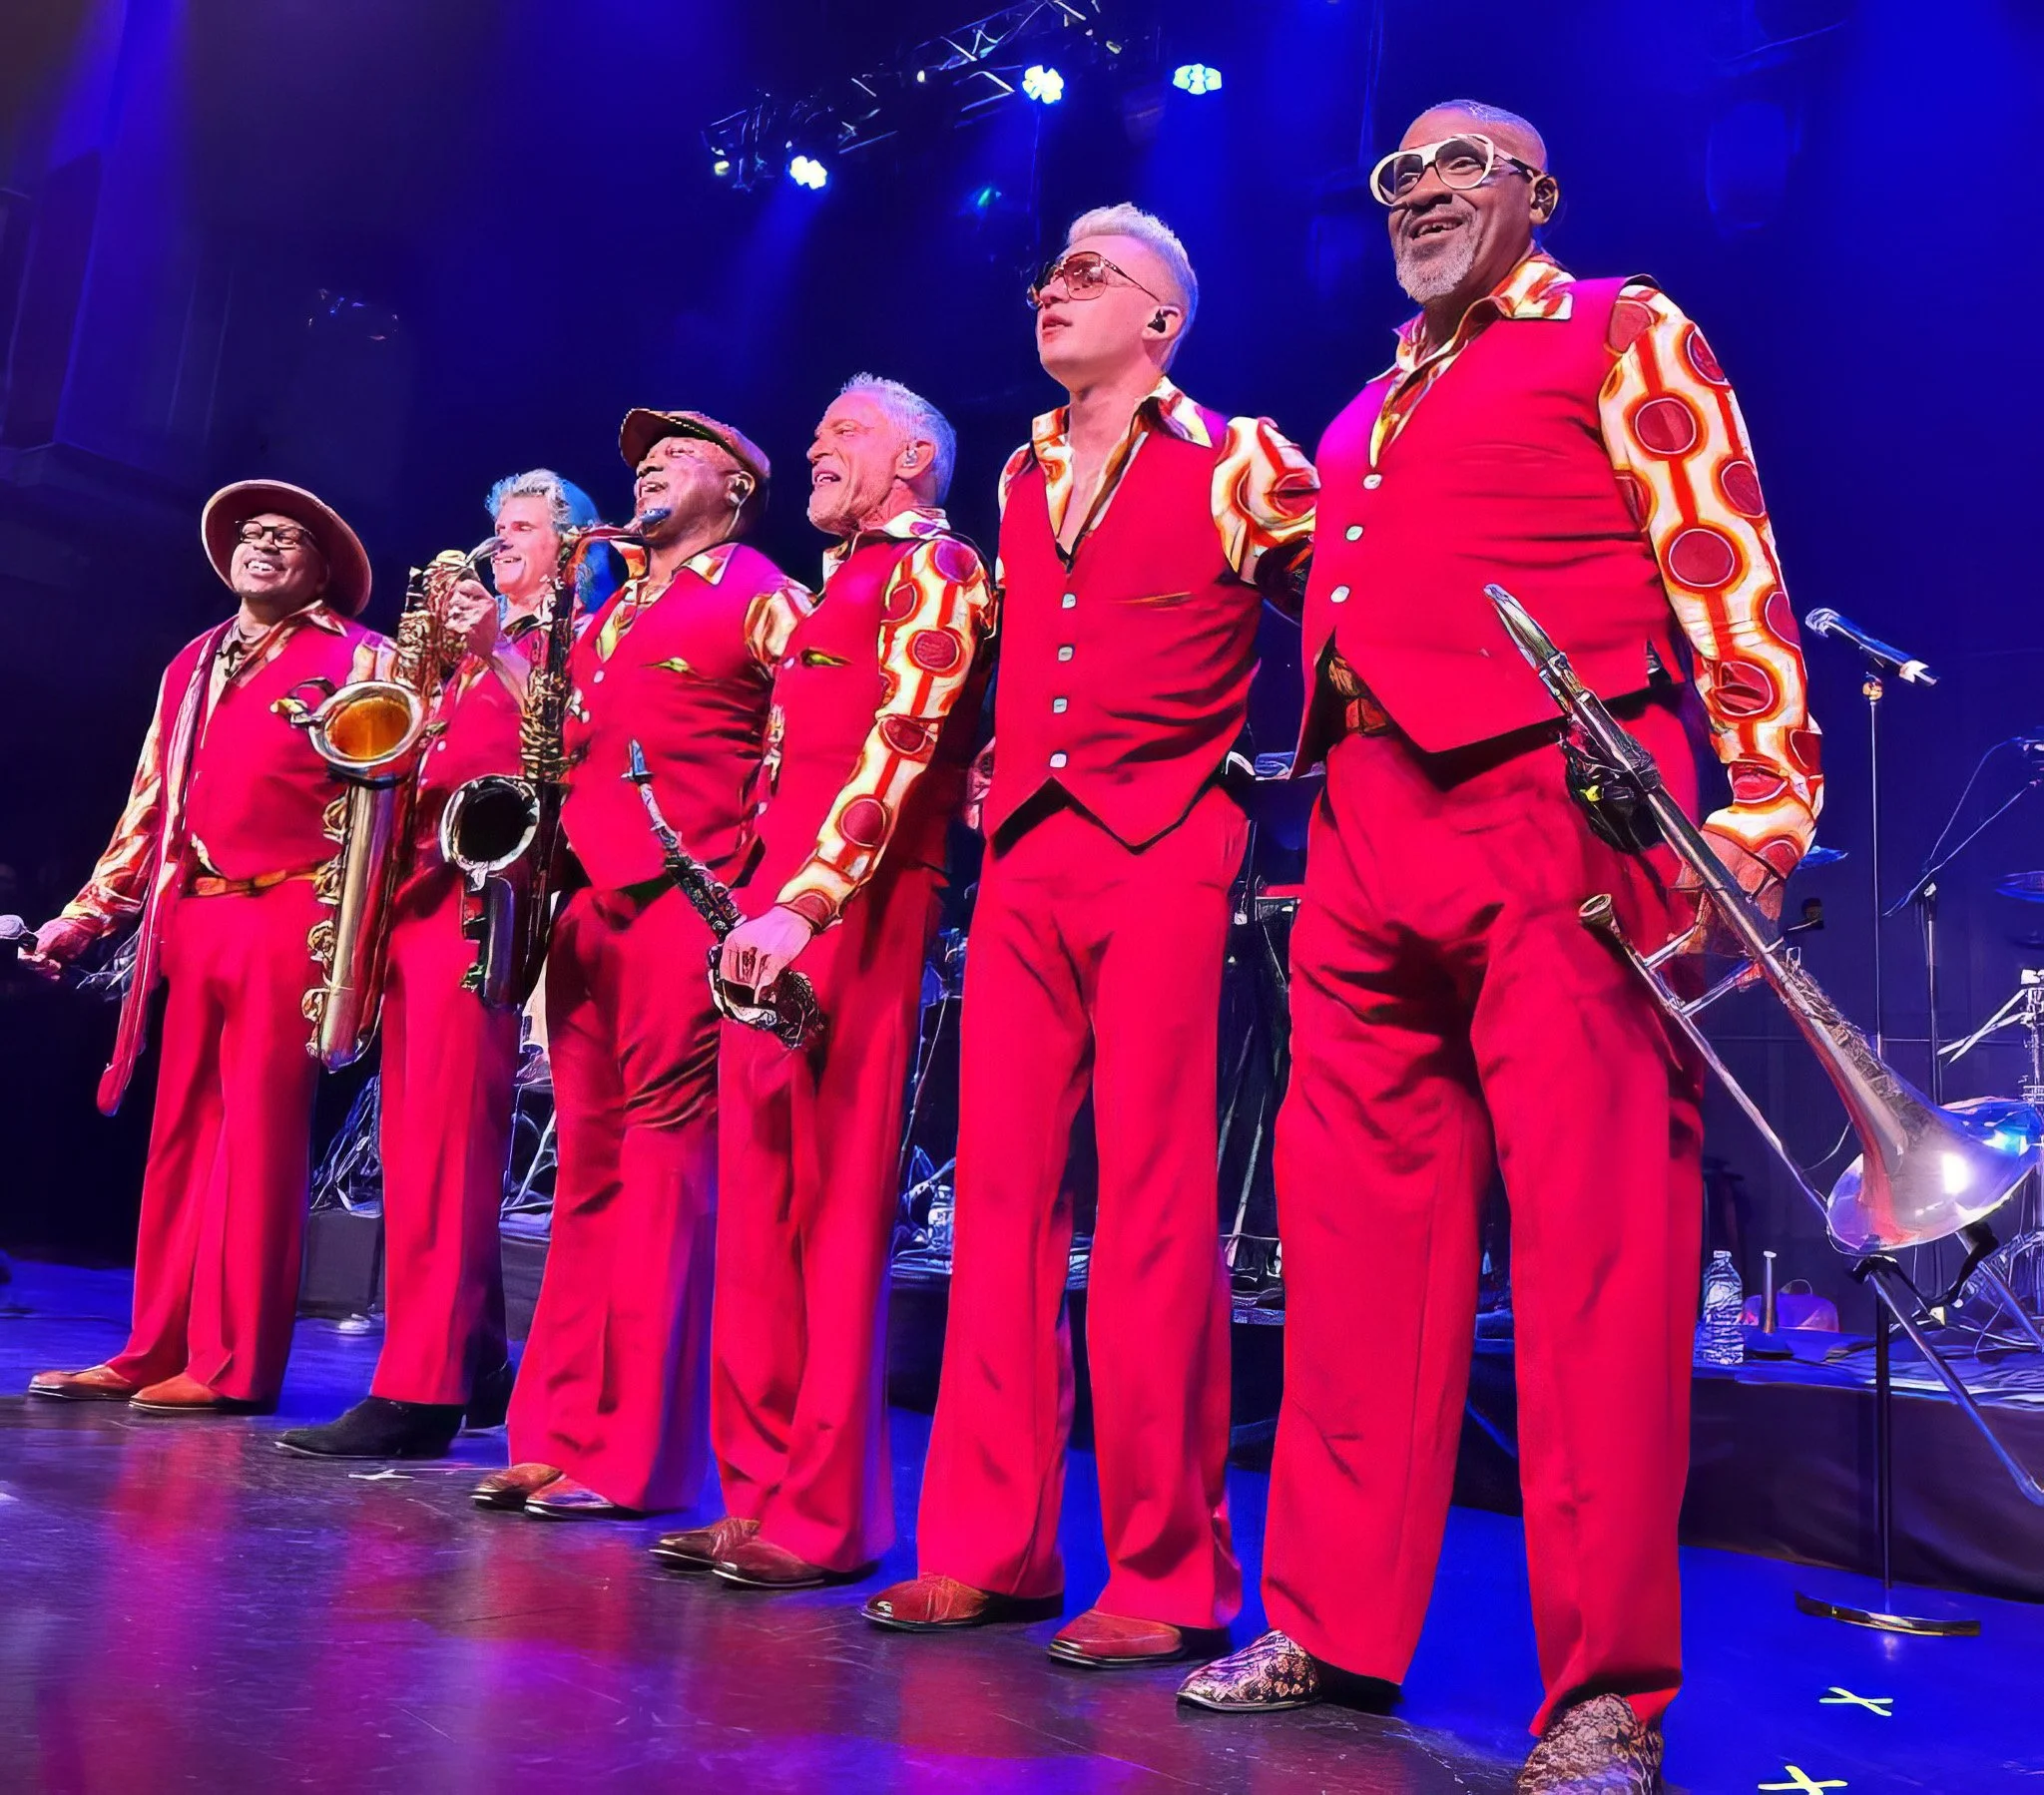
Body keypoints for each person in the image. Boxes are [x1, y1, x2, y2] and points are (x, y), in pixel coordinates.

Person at [1176, 102, 1821, 1794]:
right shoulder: (1366, 401)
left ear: (1539, 193)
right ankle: (1332, 1620)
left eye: (1463, 165)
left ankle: (1606, 1689)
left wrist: (1760, 807)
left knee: (1598, 1253)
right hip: (1363, 829)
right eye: (1398, 172)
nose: (1422, 189)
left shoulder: (1618, 323)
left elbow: (1718, 557)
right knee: (1350, 1248)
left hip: (1564, 807)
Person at [862, 206, 1317, 1666]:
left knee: (1155, 1210)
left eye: (1088, 274)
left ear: (1161, 318)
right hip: (1029, 857)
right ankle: (985, 1547)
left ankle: (1169, 1574)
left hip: (1169, 844)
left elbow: (1345, 602)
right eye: (1050, 270)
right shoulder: (1018, 469)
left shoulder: (1240, 456)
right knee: (996, 1203)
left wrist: (1303, 768)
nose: (1053, 289)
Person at [649, 376, 995, 1589]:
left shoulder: (937, 568)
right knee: (757, 1205)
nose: (814, 445)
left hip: (855, 909)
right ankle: (754, 1492)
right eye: (819, 430)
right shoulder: (832, 583)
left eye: (843, 430)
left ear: (913, 457)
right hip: (771, 912)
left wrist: (807, 899)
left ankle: (826, 1512)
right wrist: (752, 897)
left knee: (835, 1208)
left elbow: (902, 742)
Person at [471, 410, 812, 1519]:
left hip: (685, 901)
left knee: (667, 1174)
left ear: (736, 488)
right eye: (643, 457)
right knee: (588, 1169)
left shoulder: (762, 590)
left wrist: (763, 890)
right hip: (588, 903)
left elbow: (809, 733)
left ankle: (636, 1457)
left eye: (678, 453)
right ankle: (552, 1431)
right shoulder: (612, 608)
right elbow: (562, 740)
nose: (650, 464)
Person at [25, 481, 387, 1414]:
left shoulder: (361, 657)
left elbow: (385, 813)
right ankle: (153, 1346)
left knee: (258, 1139)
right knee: (181, 1133)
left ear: (323, 568)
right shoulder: (192, 660)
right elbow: (151, 806)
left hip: (292, 911)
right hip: (195, 914)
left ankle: (234, 1365)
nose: (263, 544)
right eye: (253, 532)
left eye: (289, 536)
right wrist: (84, 916)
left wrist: (355, 948)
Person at [277, 470, 604, 1461]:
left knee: (447, 1153)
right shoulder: (466, 654)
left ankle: (419, 1388)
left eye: (523, 527)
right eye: (495, 524)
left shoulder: (579, 639)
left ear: (572, 546)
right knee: (417, 1149)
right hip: (415, 906)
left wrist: (494, 647)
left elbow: (574, 747)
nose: (499, 541)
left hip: (486, 911)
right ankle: (477, 1357)